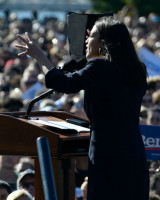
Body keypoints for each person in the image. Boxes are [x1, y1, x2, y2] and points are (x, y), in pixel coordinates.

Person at [15, 16, 149, 200]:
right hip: (134, 153)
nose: (87, 39)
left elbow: (62, 83)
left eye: (91, 36)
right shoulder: (137, 70)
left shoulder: (99, 68)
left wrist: (39, 55)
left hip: (107, 155)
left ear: (102, 43)